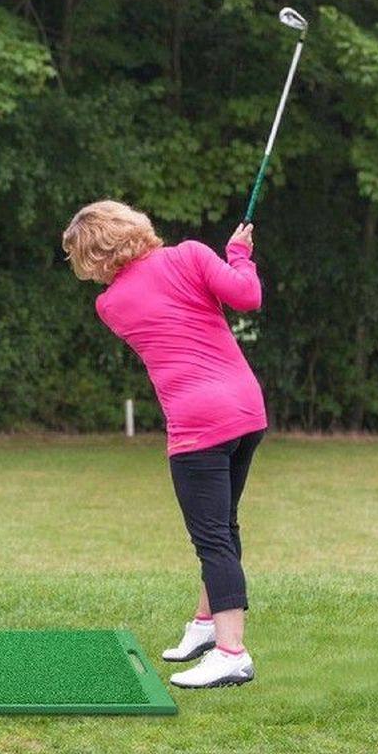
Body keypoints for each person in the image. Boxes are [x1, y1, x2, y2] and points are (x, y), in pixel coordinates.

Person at [62, 200, 266, 689]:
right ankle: (205, 625)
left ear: (95, 256)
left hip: (198, 425)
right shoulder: (192, 254)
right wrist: (239, 255)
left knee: (213, 539)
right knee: (223, 527)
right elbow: (247, 296)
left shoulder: (110, 305)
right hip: (246, 410)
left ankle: (231, 653)